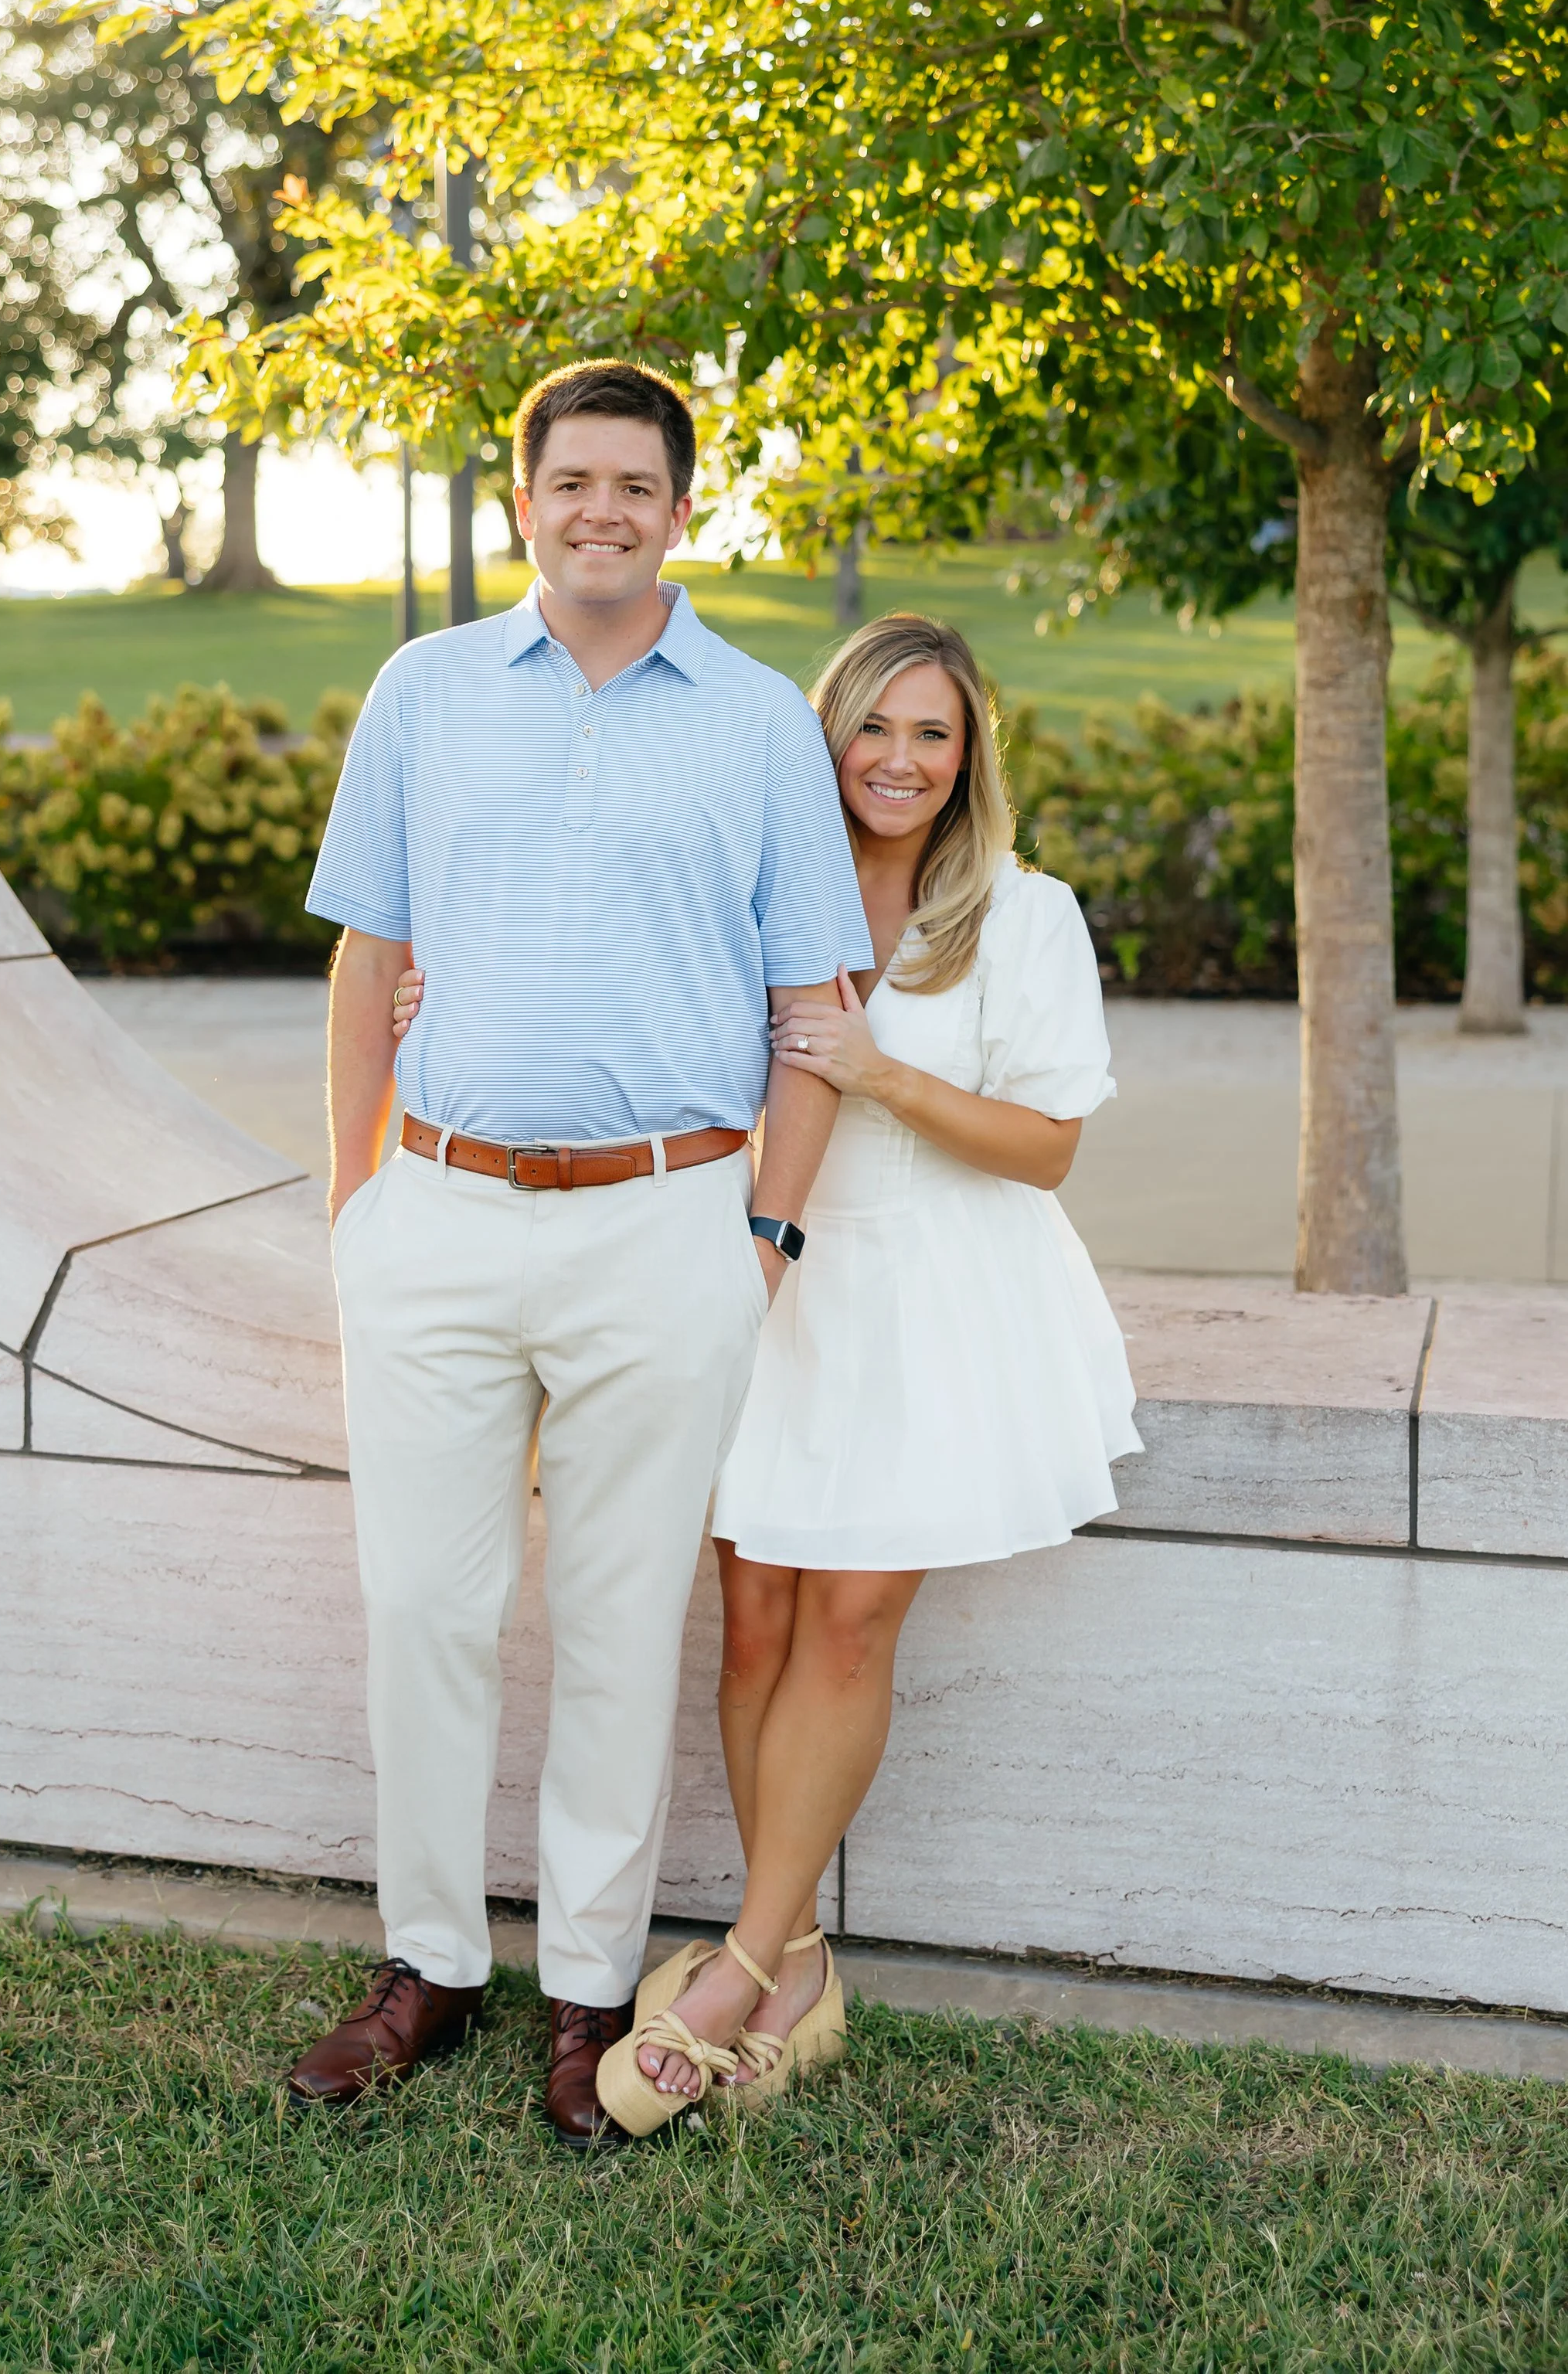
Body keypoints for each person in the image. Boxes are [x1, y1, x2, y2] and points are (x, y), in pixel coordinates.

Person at [399, 613, 1138, 2129]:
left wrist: (876, 1072)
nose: (898, 759)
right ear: (826, 740)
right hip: (756, 1275)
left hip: (928, 1295)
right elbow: (620, 1005)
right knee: (747, 1626)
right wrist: (436, 1008)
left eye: (931, 733)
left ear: (968, 755)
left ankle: (736, 1969)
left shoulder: (1017, 914)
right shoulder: (750, 892)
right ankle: (795, 1950)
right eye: (872, 727)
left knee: (849, 1623)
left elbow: (1049, 1145)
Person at [284, 358, 870, 2150]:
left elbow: (811, 1004)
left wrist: (761, 1231)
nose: (600, 510)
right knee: (424, 1611)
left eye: (636, 485)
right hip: (438, 1219)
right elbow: (364, 964)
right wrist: (356, 1201)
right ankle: (427, 1967)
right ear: (519, 498)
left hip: (669, 1222)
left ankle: (589, 1991)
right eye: (571, 482)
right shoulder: (423, 690)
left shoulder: (758, 718)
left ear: (679, 510)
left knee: (622, 1626)